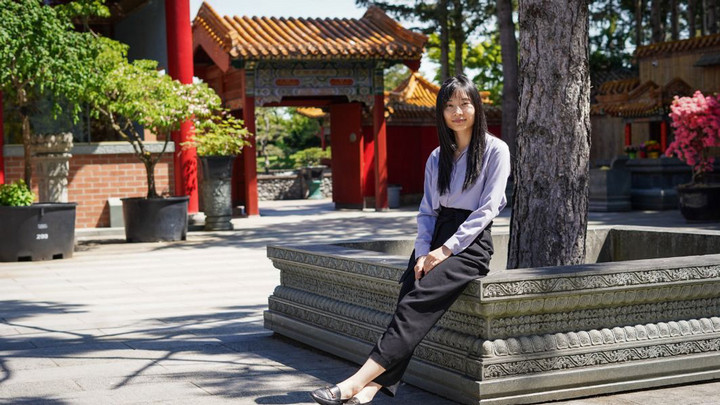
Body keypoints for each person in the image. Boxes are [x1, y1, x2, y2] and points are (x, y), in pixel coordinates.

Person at [310, 75, 511, 405]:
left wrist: (445, 251)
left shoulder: (495, 150)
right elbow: (427, 212)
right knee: (408, 300)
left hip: (470, 245)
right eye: (449, 106)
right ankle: (375, 388)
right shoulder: (437, 157)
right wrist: (423, 252)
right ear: (441, 112)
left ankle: (351, 384)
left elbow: (488, 209)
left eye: (464, 103)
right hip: (437, 236)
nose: (457, 112)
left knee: (415, 304)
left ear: (476, 106)